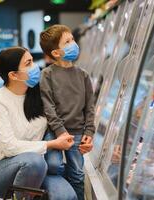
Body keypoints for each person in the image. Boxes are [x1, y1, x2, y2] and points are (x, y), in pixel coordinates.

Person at [0, 47, 78, 200]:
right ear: (13, 75)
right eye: (28, 63)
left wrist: (87, 135)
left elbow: (64, 116)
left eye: (32, 60)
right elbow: (9, 147)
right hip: (1, 170)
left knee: (66, 196)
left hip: (40, 167)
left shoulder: (39, 92)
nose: (35, 67)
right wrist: (51, 144)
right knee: (34, 162)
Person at [39, 25, 95, 200]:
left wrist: (89, 132)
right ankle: (60, 188)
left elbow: (90, 107)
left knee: (78, 174)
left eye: (73, 39)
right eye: (68, 41)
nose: (74, 44)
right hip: (56, 133)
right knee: (53, 164)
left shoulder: (83, 75)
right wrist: (60, 132)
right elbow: (48, 107)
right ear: (56, 53)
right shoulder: (47, 75)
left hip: (78, 132)